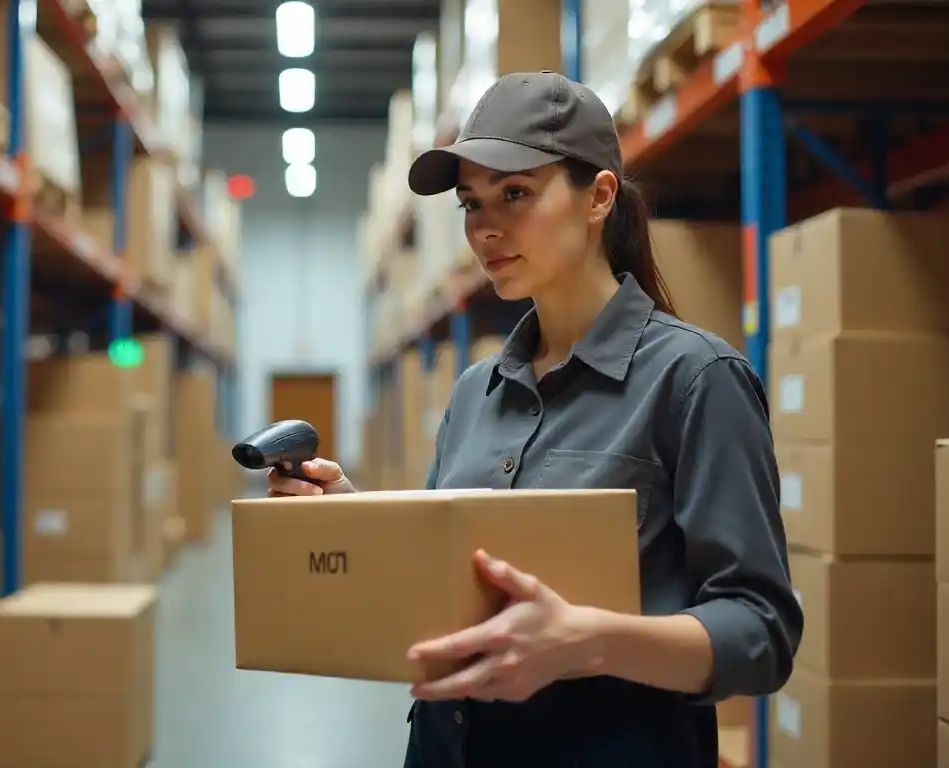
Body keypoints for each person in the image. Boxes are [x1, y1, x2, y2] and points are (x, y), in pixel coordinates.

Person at [267, 71, 802, 768]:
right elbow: (452, 580)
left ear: (599, 196)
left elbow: (761, 633)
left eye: (515, 193)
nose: (485, 227)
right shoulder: (474, 393)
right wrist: (351, 520)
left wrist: (588, 640)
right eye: (470, 203)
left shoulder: (695, 381)